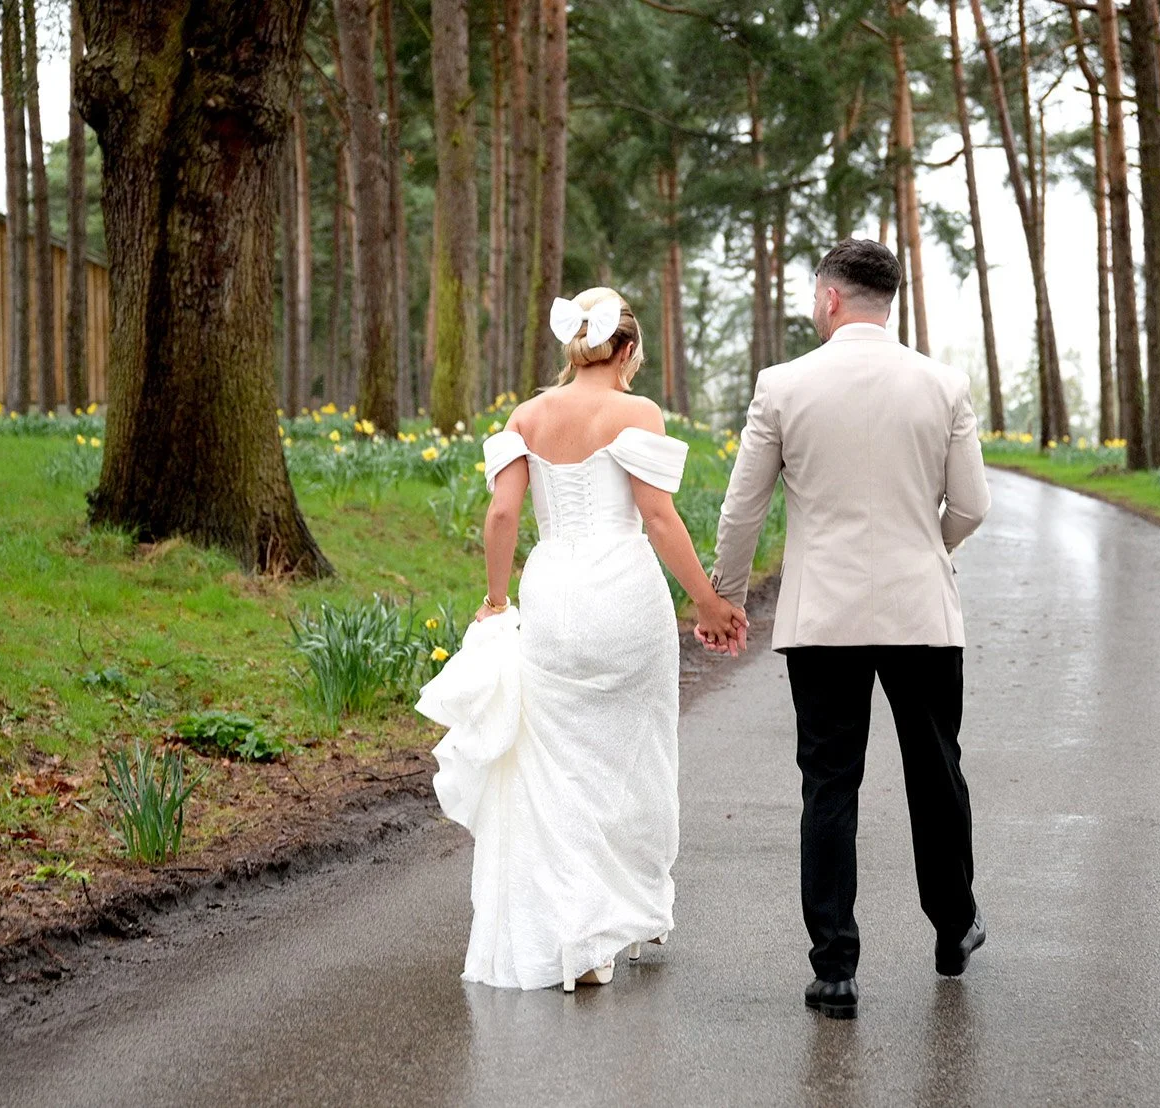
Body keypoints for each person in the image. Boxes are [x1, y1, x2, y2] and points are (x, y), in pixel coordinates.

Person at [423, 286, 747, 993]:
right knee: (637, 752)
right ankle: (626, 913)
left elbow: (504, 511)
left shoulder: (528, 415)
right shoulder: (636, 411)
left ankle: (584, 940)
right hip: (623, 595)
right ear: (625, 349)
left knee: (561, 761)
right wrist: (708, 601)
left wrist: (496, 598)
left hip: (552, 592)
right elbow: (657, 519)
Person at [703, 239, 992, 1020]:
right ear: (884, 300)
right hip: (921, 612)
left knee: (830, 784)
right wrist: (926, 551)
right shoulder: (943, 384)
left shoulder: (783, 385)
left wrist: (724, 596)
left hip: (822, 616)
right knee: (936, 772)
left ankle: (835, 970)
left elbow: (743, 510)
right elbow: (970, 506)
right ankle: (953, 928)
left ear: (829, 299)